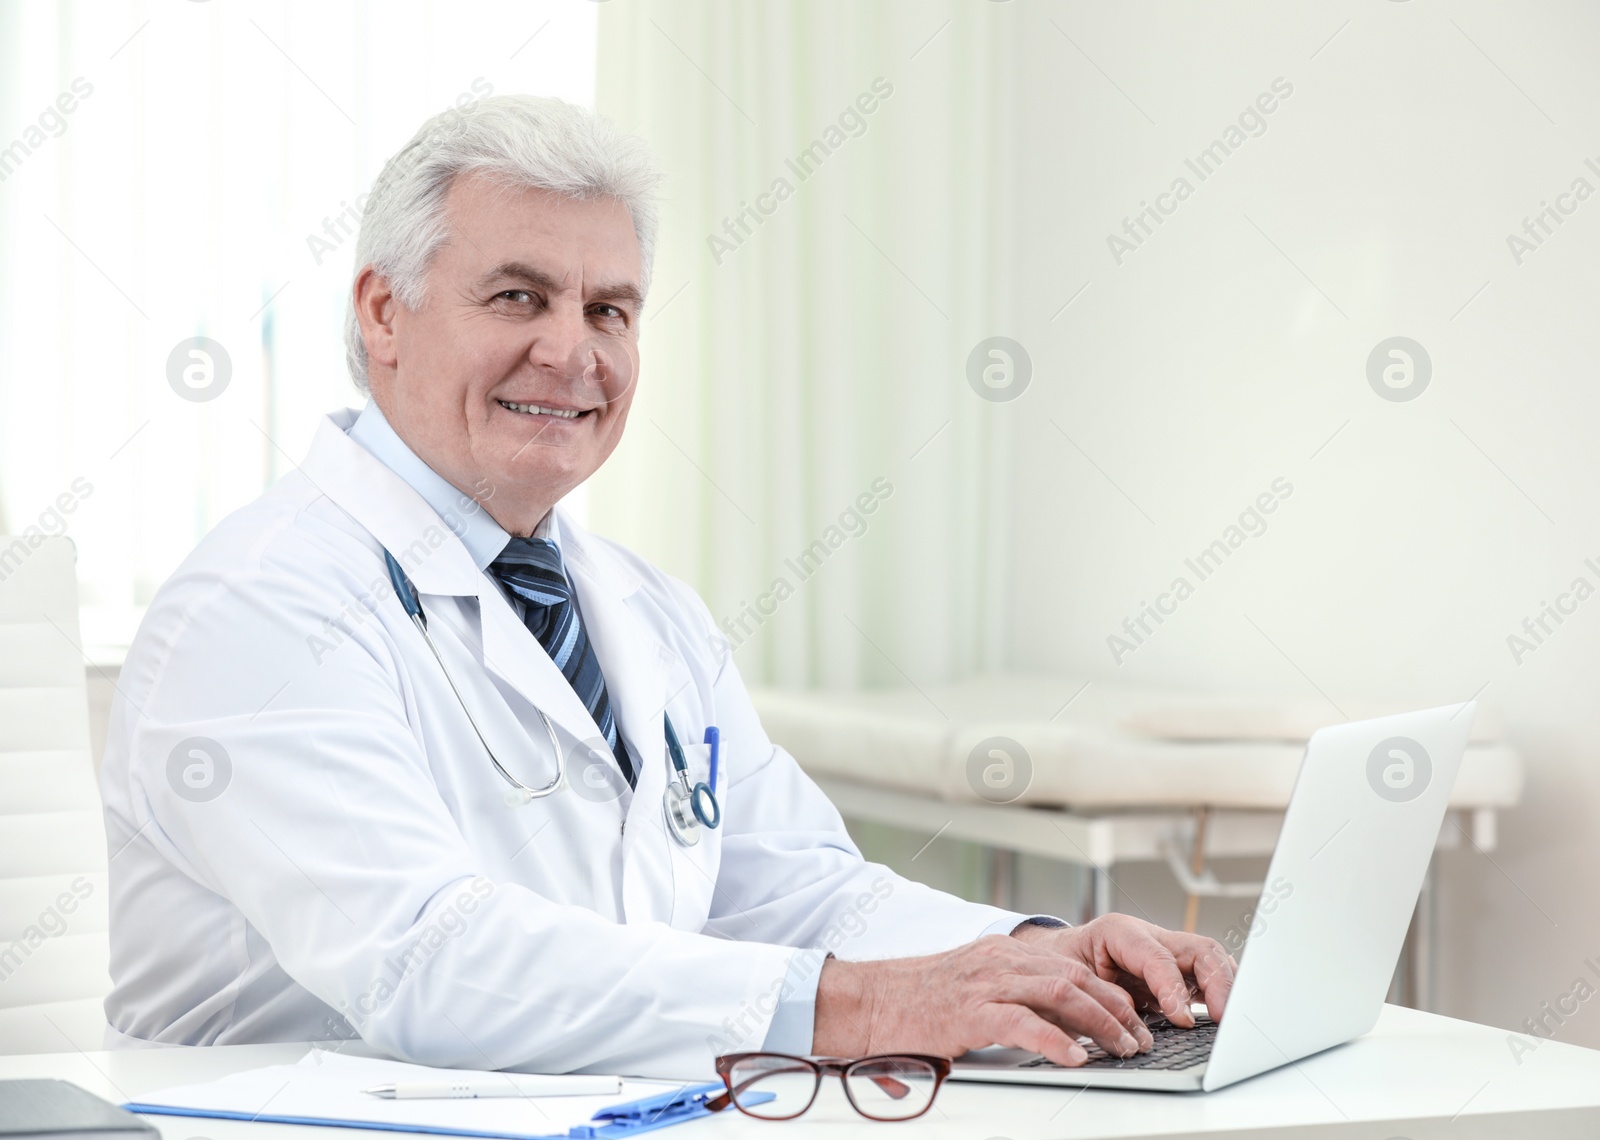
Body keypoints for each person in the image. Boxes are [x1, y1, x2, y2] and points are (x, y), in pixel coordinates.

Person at [100, 95, 1233, 1077]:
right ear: (383, 314)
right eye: (516, 297)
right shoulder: (259, 605)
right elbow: (427, 962)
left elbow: (788, 886)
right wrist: (867, 1006)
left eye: (609, 310)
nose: (571, 352)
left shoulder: (642, 610)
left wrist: (1035, 953)